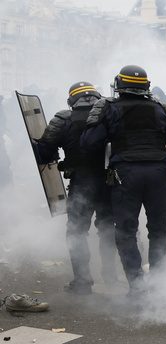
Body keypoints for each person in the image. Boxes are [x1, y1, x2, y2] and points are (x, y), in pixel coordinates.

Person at [81, 65, 166, 294]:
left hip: (126, 174)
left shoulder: (109, 108)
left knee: (126, 231)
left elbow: (89, 143)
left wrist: (98, 121)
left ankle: (137, 286)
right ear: (145, 86)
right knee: (159, 229)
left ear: (119, 85)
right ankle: (157, 285)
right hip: (159, 172)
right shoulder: (157, 107)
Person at [34, 82, 116, 294]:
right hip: (110, 183)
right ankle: (111, 276)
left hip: (82, 184)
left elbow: (44, 153)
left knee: (77, 233)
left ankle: (82, 282)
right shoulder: (110, 114)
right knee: (108, 229)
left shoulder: (63, 119)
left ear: (72, 100)